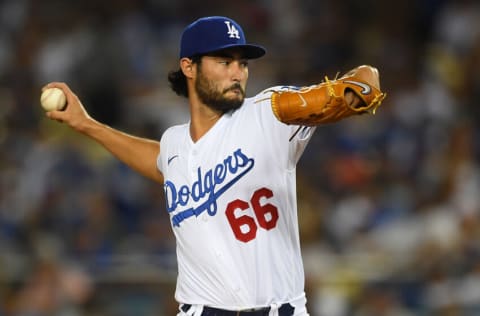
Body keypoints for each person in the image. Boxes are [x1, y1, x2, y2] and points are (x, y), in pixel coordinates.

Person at [43, 16, 385, 316]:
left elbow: (361, 81)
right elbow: (161, 163)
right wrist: (87, 124)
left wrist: (357, 87)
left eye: (243, 63)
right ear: (189, 67)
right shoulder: (174, 144)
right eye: (225, 61)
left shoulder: (269, 112)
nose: (238, 72)